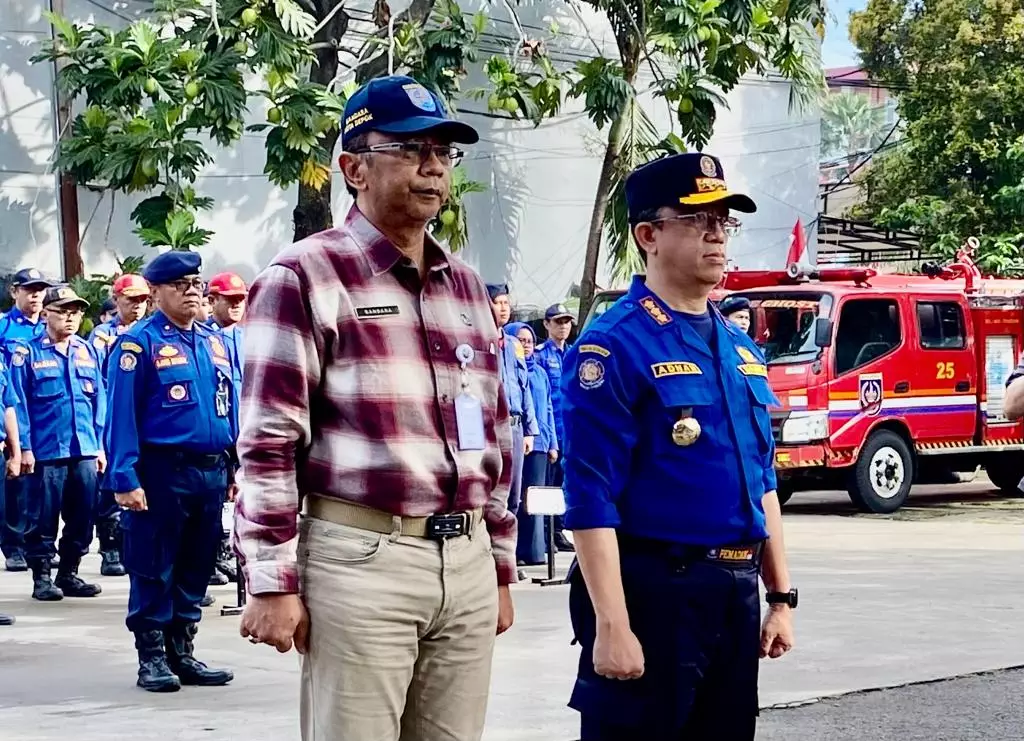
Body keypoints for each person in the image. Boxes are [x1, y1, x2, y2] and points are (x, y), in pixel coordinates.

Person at [234, 74, 516, 741]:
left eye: (444, 151)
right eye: (411, 148)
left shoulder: (467, 286)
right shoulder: (305, 275)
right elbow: (269, 440)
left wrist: (499, 563)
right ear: (353, 167)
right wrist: (272, 578)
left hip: (466, 556)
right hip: (363, 557)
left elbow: (495, 436)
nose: (432, 165)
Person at [560, 153, 797, 741]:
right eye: (697, 219)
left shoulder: (738, 346)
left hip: (734, 594)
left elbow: (760, 478)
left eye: (724, 220)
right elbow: (590, 496)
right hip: (655, 592)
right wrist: (612, 622)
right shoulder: (614, 345)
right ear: (648, 235)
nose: (717, 233)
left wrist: (781, 594)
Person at [104, 250, 235, 693]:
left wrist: (233, 464)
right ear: (156, 291)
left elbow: (226, 405)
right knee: (154, 564)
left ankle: (183, 650)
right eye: (180, 284)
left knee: (197, 563)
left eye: (195, 282)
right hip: (161, 471)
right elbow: (120, 415)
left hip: (210, 470)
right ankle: (153, 657)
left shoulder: (213, 341)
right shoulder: (137, 344)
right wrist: (124, 477)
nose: (191, 290)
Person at [10, 285, 106, 602]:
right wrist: (23, 447)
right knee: (42, 516)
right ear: (47, 313)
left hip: (84, 449)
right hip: (47, 450)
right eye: (63, 310)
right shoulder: (28, 352)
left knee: (83, 515)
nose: (70, 317)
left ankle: (69, 573)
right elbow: (18, 403)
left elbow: (99, 401)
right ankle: (41, 577)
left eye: (76, 311)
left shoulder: (85, 350)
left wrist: (100, 446)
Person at [89, 273, 151, 577]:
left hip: (146, 421)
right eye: (131, 301)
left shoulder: (153, 332)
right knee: (111, 486)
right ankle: (110, 550)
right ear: (117, 301)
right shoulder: (103, 336)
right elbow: (98, 383)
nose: (138, 306)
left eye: (142, 300)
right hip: (112, 416)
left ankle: (130, 548)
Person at [0, 268, 54, 572]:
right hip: (12, 410)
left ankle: (42, 544)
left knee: (45, 485)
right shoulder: (4, 328)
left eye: (40, 290)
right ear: (14, 292)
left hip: (45, 414)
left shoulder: (49, 327)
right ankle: (14, 545)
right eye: (29, 289)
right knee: (16, 485)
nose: (35, 295)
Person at [204, 271, 248, 586]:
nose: (235, 306)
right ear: (212, 301)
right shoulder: (202, 338)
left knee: (239, 499)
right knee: (214, 500)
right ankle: (209, 560)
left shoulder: (251, 337)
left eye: (240, 300)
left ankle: (229, 555)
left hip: (247, 430)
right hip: (218, 433)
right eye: (228, 300)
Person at [507, 321, 558, 568]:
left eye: (529, 341)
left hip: (540, 442)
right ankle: (513, 551)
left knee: (535, 499)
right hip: (515, 438)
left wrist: (553, 444)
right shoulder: (510, 370)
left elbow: (547, 408)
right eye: (520, 340)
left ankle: (536, 551)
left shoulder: (539, 373)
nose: (525, 346)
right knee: (515, 499)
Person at [487, 283, 538, 518]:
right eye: (498, 303)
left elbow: (523, 386)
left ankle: (511, 553)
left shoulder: (514, 345)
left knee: (514, 495)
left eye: (506, 303)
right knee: (490, 492)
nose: (503, 308)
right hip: (490, 427)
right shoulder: (478, 341)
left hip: (516, 427)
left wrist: (530, 430)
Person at [535, 303, 575, 552]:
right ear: (547, 324)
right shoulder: (540, 354)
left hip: (569, 429)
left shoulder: (574, 353)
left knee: (563, 482)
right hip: (551, 430)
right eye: (558, 322)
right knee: (548, 485)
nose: (563, 327)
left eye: (567, 322)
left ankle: (559, 529)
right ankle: (547, 534)